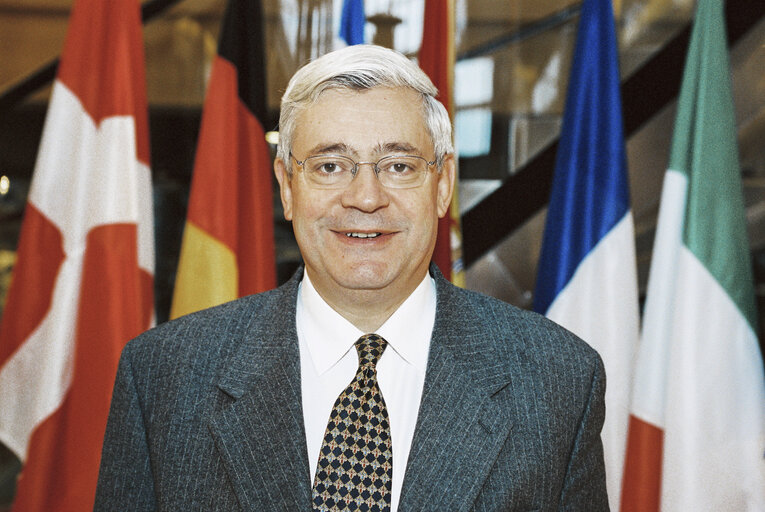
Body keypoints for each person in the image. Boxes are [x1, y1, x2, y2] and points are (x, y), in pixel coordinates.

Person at [95, 44, 608, 511]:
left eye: (399, 166)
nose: (365, 197)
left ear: (443, 184)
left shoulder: (557, 381)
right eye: (330, 166)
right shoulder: (164, 378)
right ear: (287, 186)